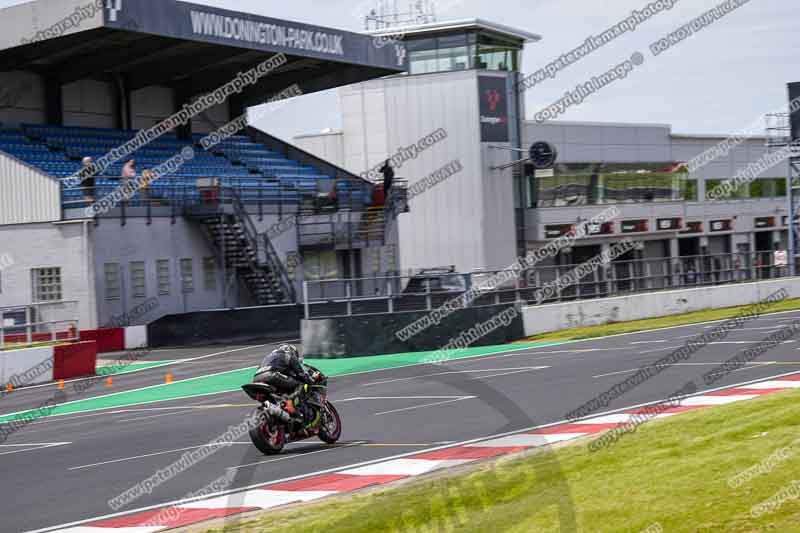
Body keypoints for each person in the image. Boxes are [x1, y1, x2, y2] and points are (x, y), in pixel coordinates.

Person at [254, 344, 320, 418]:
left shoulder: (270, 356)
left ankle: (276, 410)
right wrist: (311, 381)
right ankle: (289, 404)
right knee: (299, 385)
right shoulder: (289, 355)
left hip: (256, 378)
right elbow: (301, 374)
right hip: (270, 375)